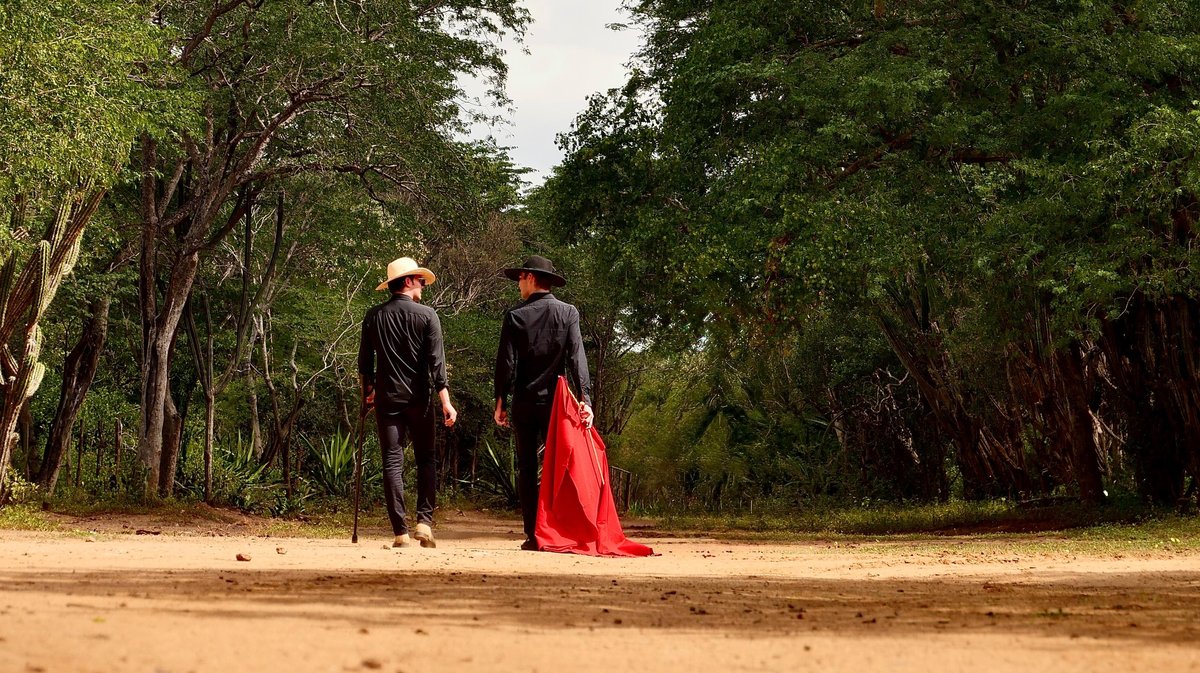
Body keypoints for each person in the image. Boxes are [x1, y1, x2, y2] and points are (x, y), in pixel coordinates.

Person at [493, 255, 593, 550]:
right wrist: (585, 398)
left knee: (526, 467)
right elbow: (577, 357)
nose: (518, 285)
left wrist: (500, 400)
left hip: (524, 400)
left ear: (531, 278)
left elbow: (506, 363)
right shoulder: (568, 313)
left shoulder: (514, 316)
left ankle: (533, 535)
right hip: (556, 403)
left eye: (520, 279)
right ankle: (559, 532)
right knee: (559, 467)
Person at [359, 257, 457, 549]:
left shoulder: (373, 315)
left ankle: (400, 531)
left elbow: (365, 362)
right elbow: (436, 364)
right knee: (426, 458)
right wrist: (446, 403)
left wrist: (369, 391)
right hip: (419, 399)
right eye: (421, 280)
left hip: (388, 398)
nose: (424, 285)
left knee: (392, 460)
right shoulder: (428, 316)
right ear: (408, 281)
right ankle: (424, 523)